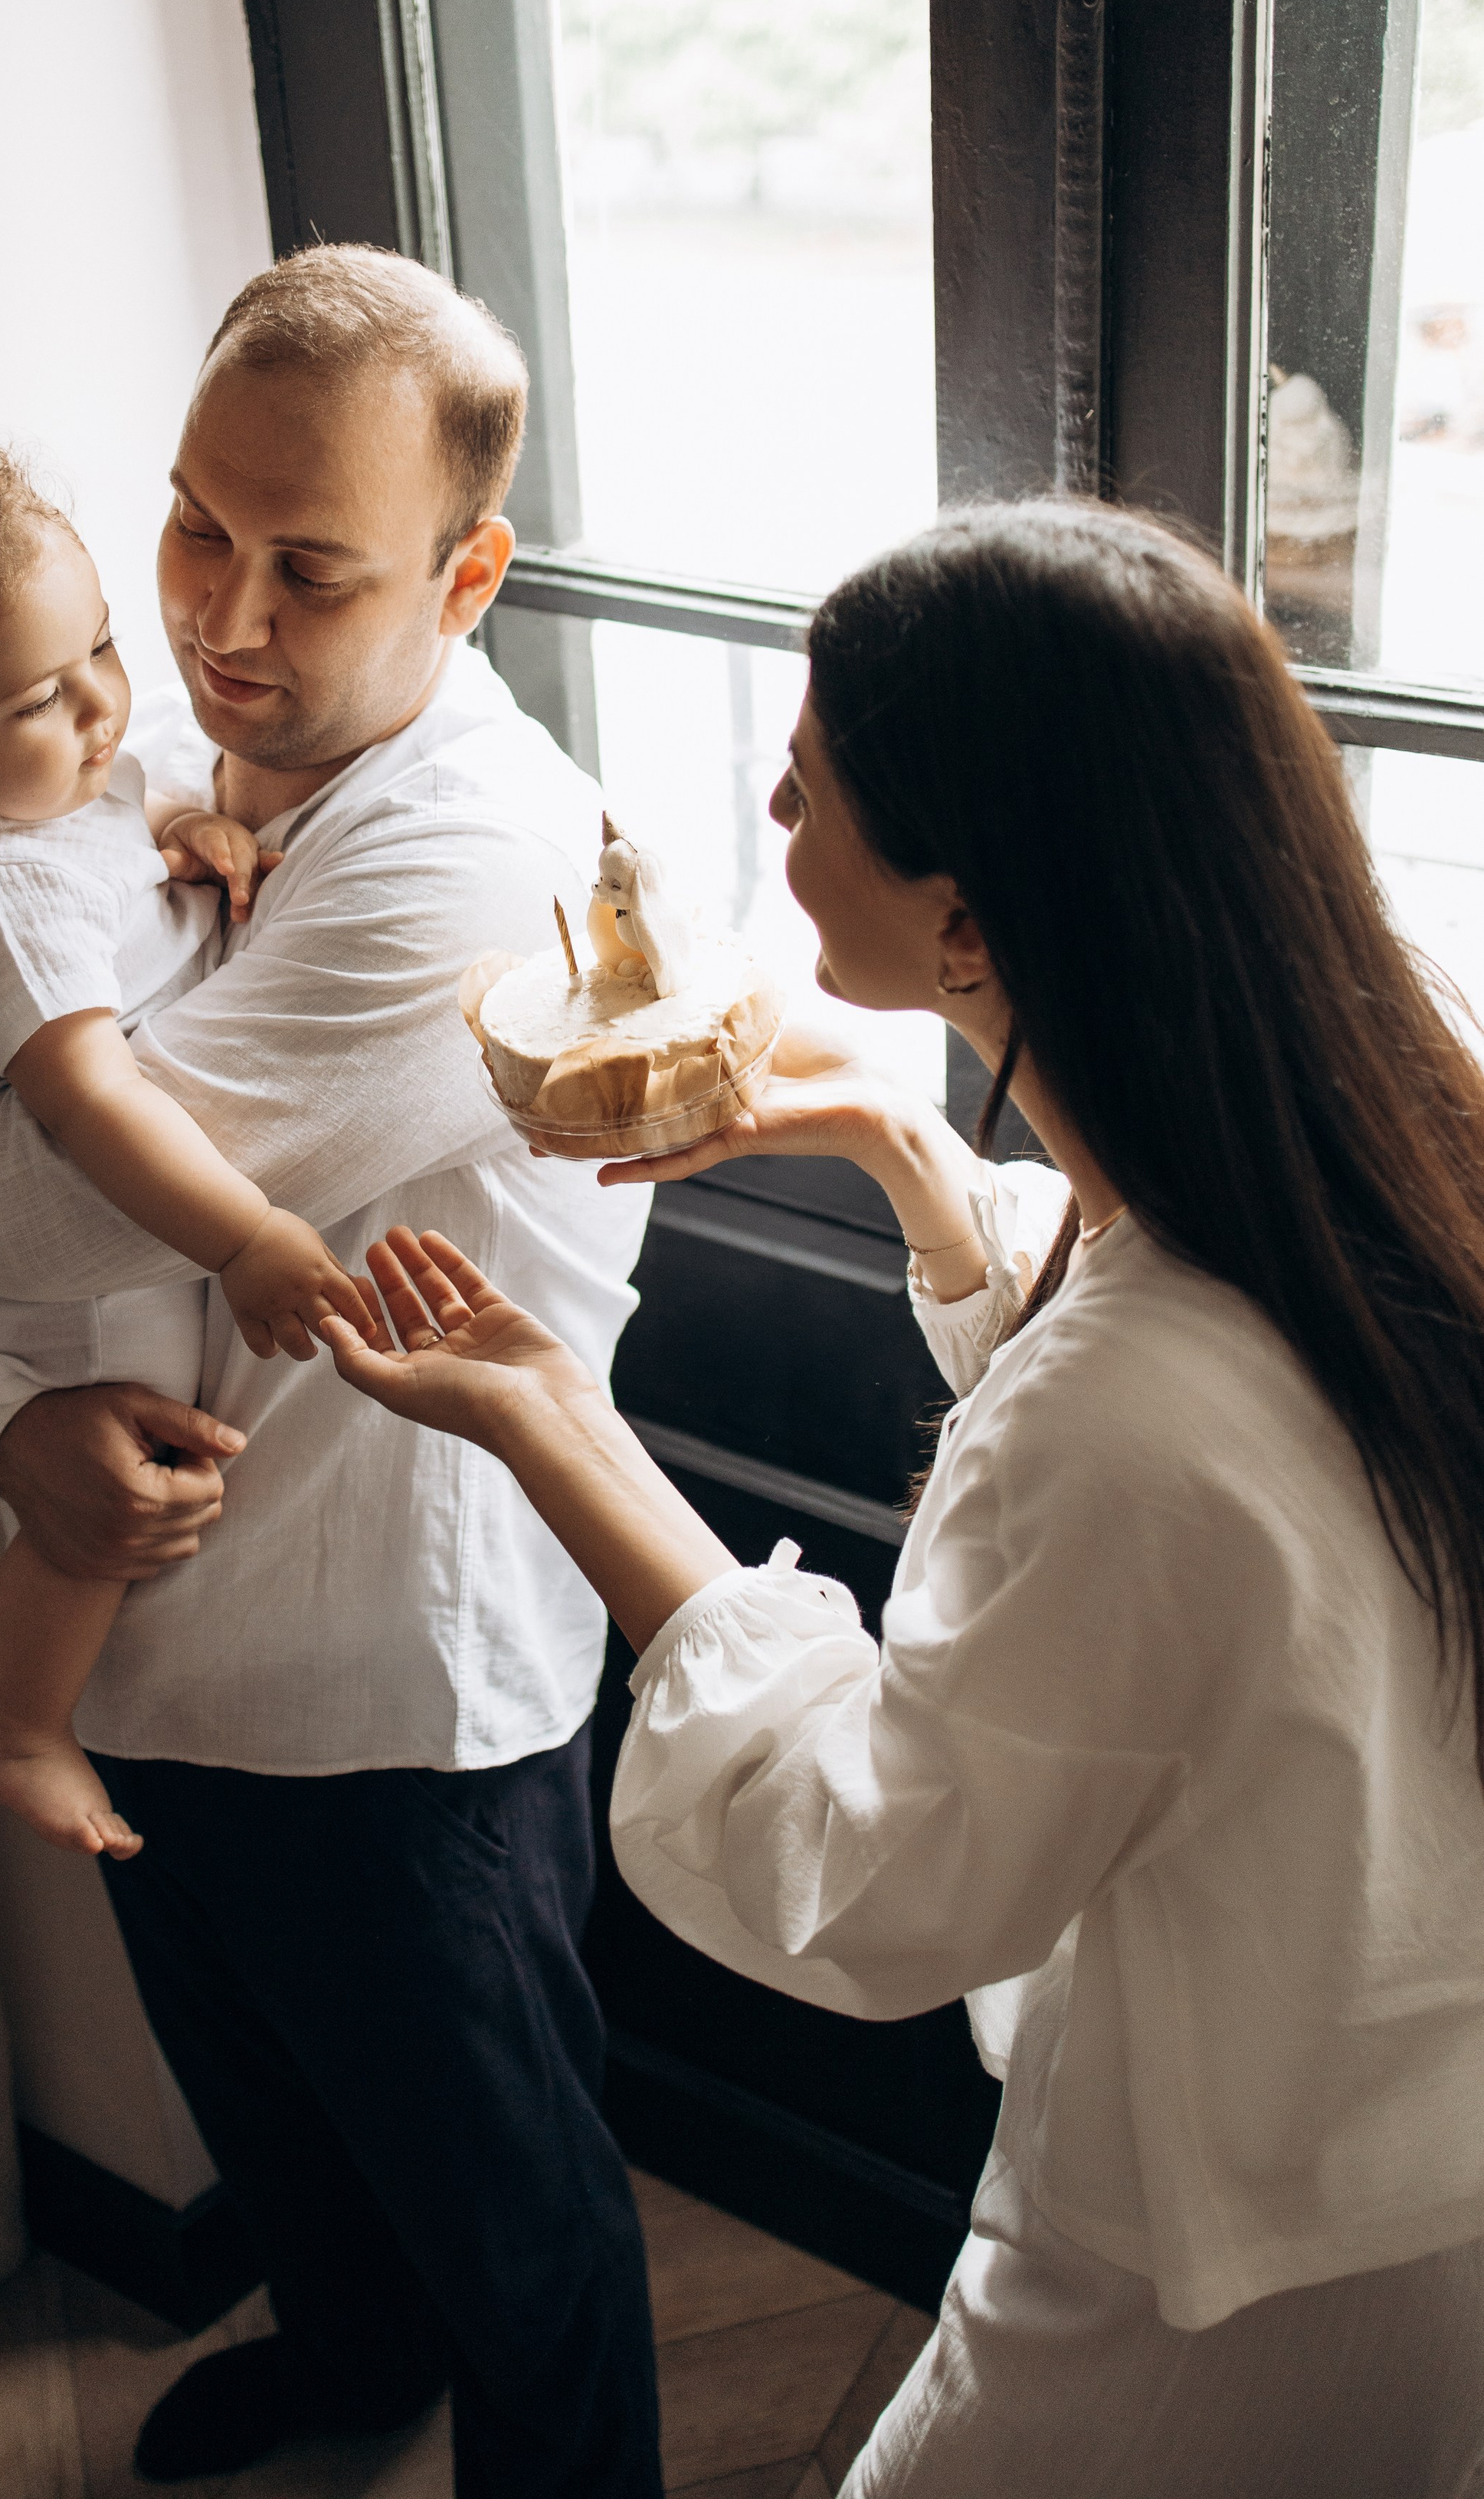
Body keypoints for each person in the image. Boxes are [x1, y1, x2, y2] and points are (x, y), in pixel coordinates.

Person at [320, 502, 1484, 2498]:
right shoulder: (1405, 1128)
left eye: (817, 776)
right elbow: (1191, 1466)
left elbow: (878, 1871)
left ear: (973, 922)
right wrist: (893, 1133)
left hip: (1210, 2277)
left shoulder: (1128, 1418)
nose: (772, 796)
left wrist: (560, 1427)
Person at [0, 248, 663, 2493]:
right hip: (154, 1624)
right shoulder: (167, 768)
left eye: (310, 567)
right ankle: (353, 2363)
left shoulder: (473, 848)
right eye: (194, 524)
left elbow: (51, 1204)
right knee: (267, 2107)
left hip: (388, 1679)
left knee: (515, 2212)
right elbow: (22, 1234)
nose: (218, 621)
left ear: (468, 577)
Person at [0, 425, 380, 1861]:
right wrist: (247, 1236)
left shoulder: (19, 770)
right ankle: (19, 1725)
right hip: (70, 1305)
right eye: (49, 693)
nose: (104, 706)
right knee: (112, 1487)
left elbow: (103, 808)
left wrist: (168, 818)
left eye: (101, 647)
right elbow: (89, 1102)